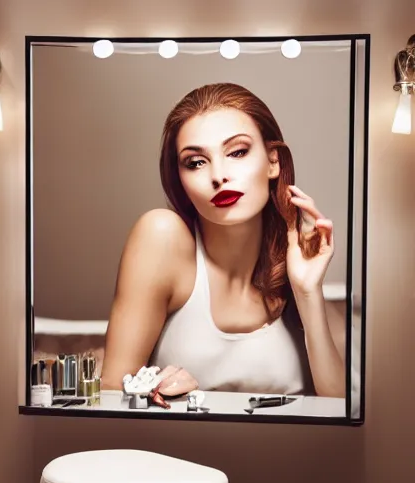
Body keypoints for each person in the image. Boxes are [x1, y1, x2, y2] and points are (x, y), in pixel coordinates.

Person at [100, 82, 346, 399]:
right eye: (196, 162)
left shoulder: (300, 270)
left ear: (274, 162)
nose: (219, 175)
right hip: (167, 449)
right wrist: (156, 391)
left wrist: (307, 292)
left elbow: (345, 421)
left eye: (237, 152)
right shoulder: (162, 237)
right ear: (180, 179)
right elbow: (108, 396)